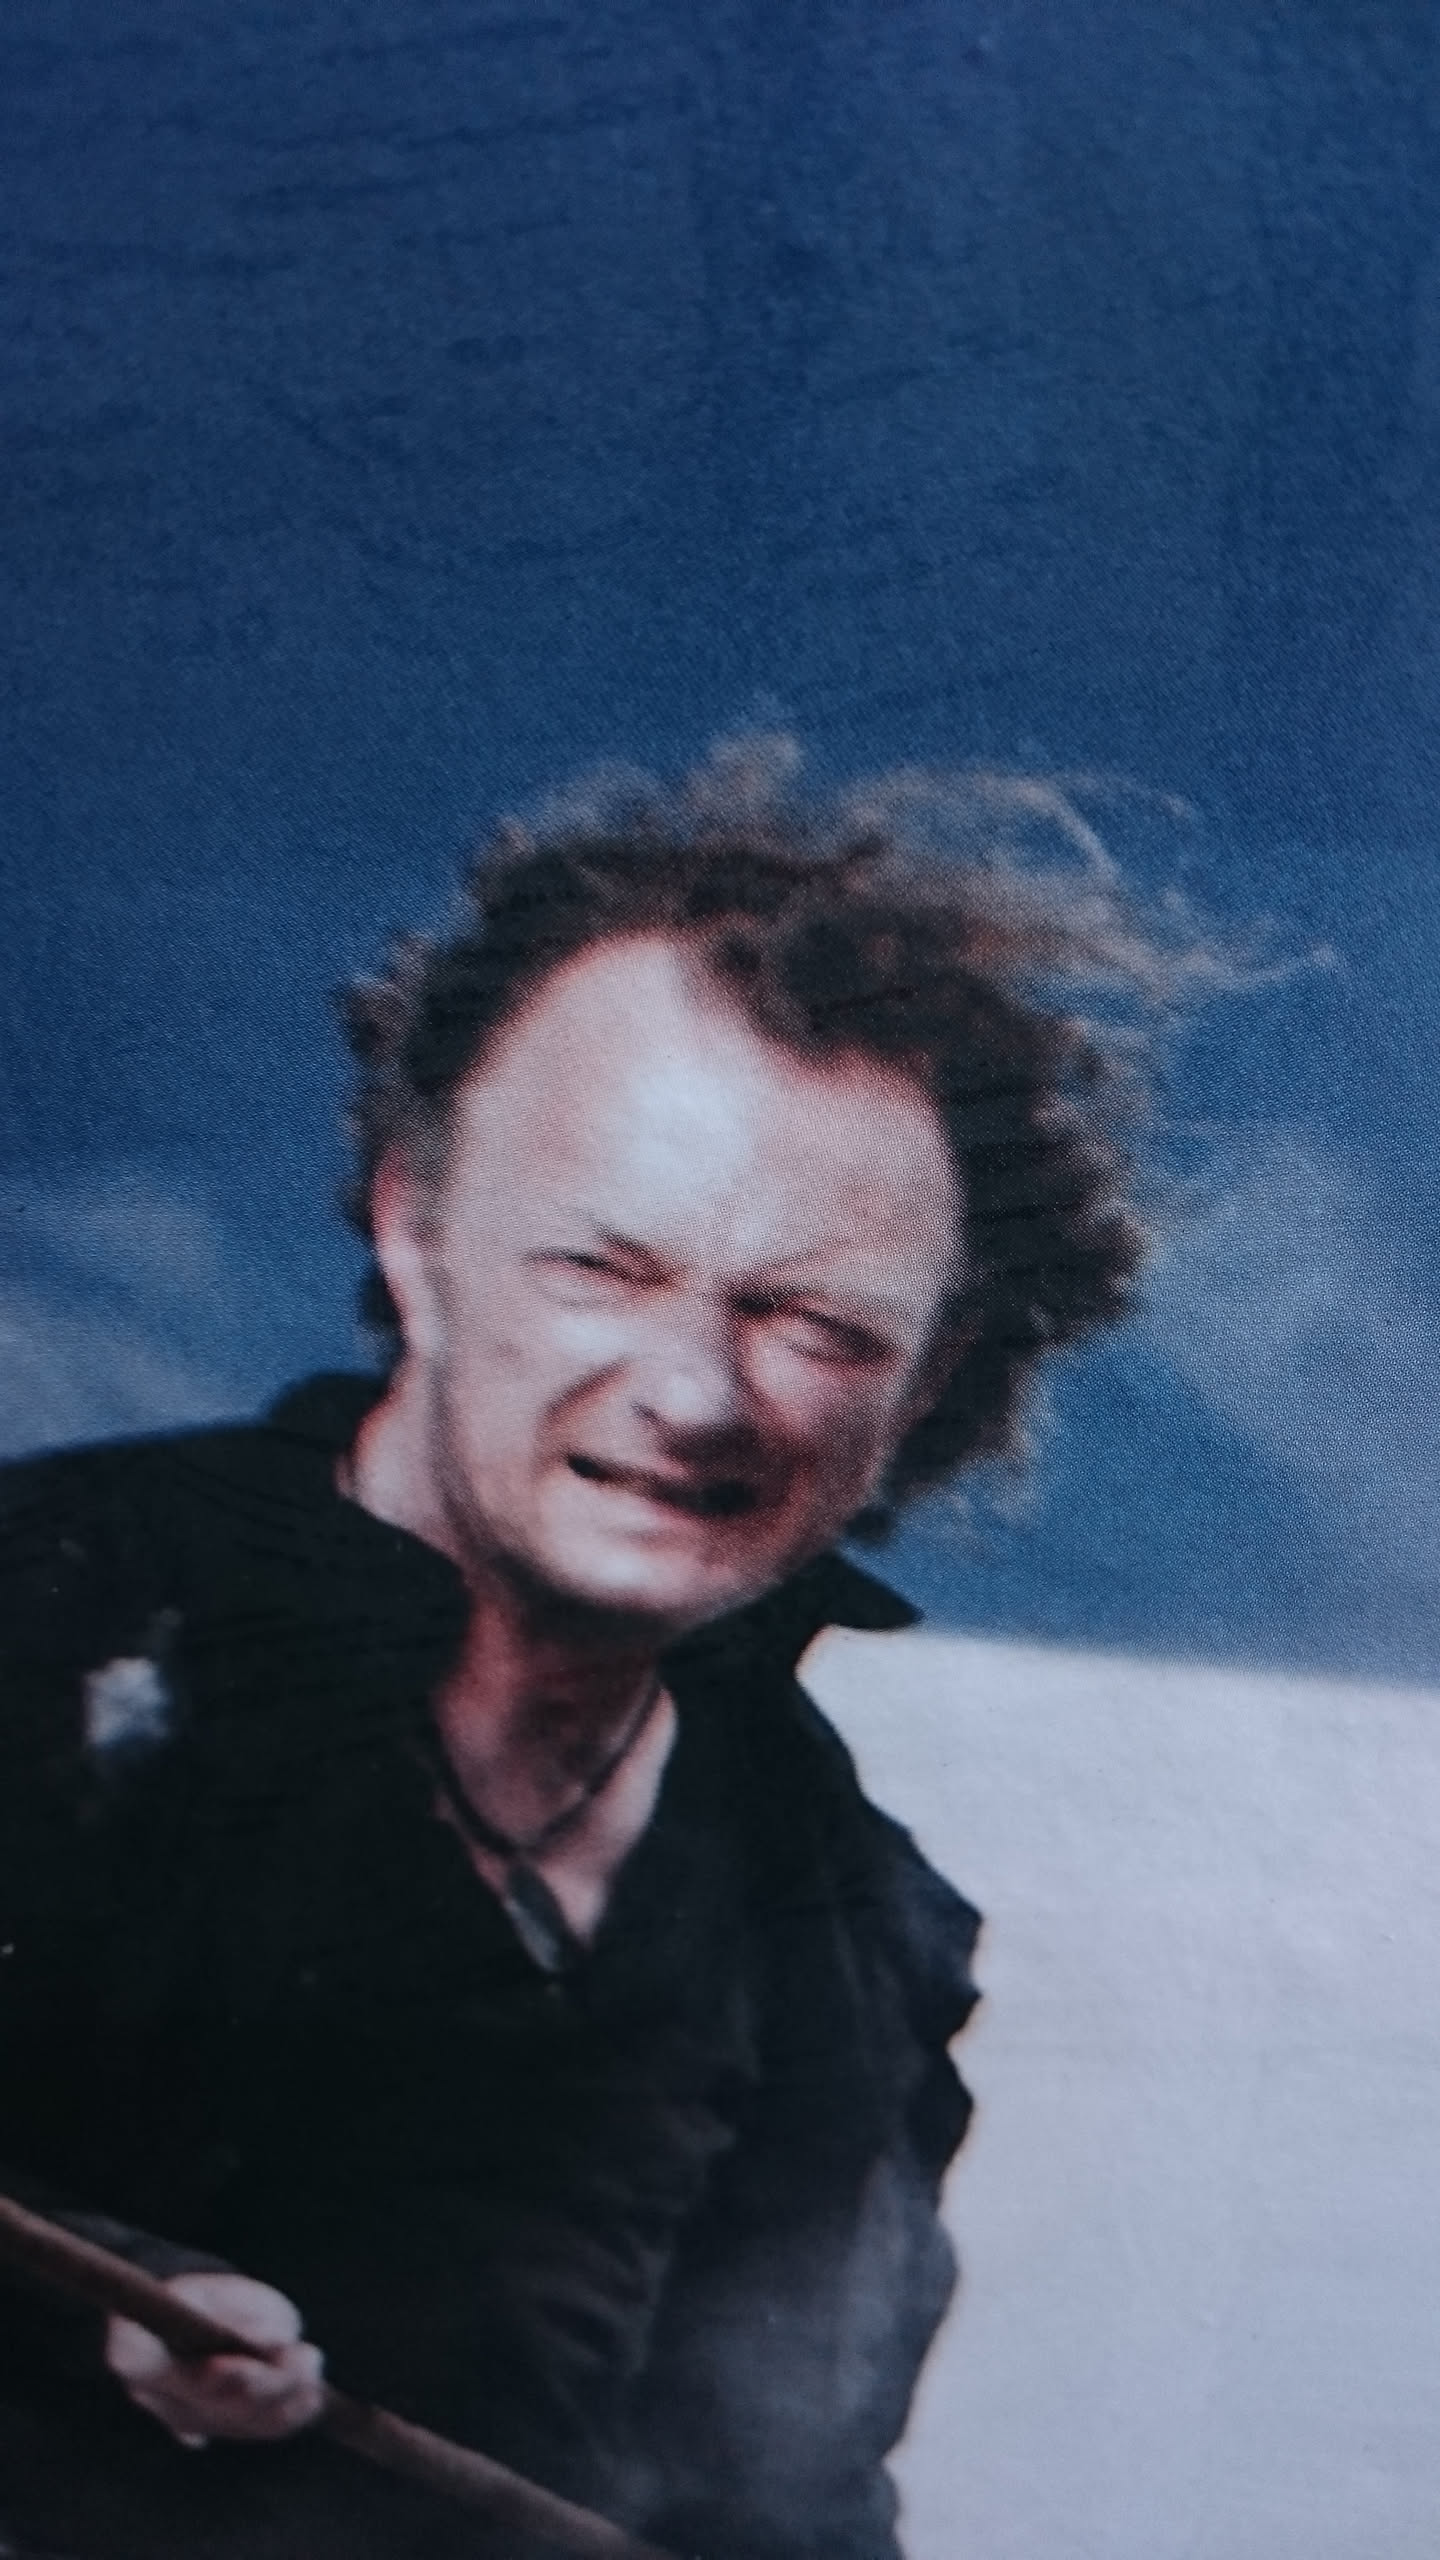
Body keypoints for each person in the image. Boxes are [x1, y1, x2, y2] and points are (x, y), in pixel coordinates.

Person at [0, 749, 1151, 2559]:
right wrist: (105, 2292)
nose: (694, 1392)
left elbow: (789, 2515)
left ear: (928, 1382)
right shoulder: (42, 1612)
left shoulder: (848, 1934)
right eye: (602, 1267)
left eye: (813, 1322)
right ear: (418, 1229)